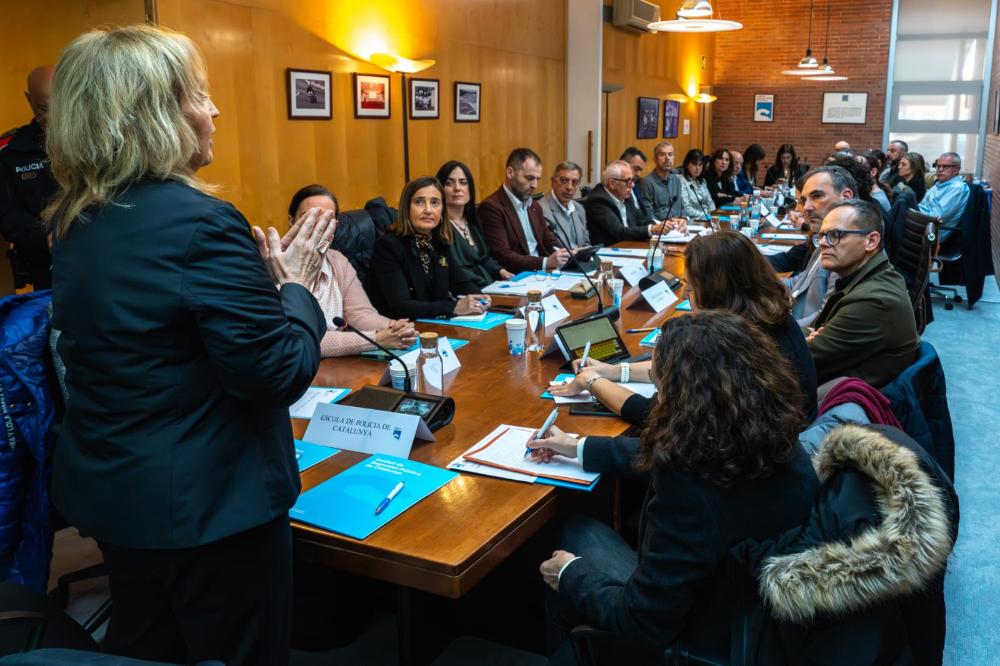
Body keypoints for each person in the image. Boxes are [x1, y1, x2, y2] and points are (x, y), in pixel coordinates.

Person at [45, 26, 333, 665]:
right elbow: (276, 374)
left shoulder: (73, 218)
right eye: (200, 96)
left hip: (120, 495)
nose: (215, 110)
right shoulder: (202, 223)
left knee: (151, 647)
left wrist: (255, 296)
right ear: (155, 115)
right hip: (211, 508)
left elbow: (154, 344)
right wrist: (297, 289)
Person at [534, 311, 819, 664]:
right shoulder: (776, 437)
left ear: (684, 395)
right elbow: (677, 458)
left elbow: (642, 622)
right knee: (583, 531)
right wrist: (577, 447)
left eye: (660, 385)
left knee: (571, 543)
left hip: (698, 638)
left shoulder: (688, 492)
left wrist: (569, 574)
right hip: (754, 615)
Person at [551, 231, 818, 423]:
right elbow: (672, 370)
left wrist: (592, 381)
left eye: (690, 287)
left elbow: (657, 415)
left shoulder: (727, 343)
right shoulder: (768, 315)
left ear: (715, 292)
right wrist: (612, 371)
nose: (685, 296)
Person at [286, 185, 417, 356]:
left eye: (327, 219)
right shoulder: (274, 265)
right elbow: (301, 340)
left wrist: (393, 327)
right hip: (297, 367)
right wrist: (376, 339)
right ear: (291, 221)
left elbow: (360, 315)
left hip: (340, 363)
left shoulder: (337, 260)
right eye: (309, 217)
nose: (318, 225)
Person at [808, 200, 920, 387]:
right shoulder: (861, 276)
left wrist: (807, 339)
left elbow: (802, 359)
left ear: (871, 241)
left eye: (835, 235)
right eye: (821, 236)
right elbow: (814, 332)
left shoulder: (874, 300)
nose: (822, 243)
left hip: (832, 398)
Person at [366, 176, 489, 320]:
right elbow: (401, 307)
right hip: (399, 327)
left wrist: (480, 298)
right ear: (406, 208)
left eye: (435, 203)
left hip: (432, 324)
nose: (428, 210)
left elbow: (460, 282)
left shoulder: (438, 242)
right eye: (419, 202)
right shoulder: (388, 246)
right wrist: (454, 307)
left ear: (442, 211)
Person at [768, 166, 856, 327]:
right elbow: (799, 282)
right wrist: (755, 280)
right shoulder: (825, 237)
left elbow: (823, 321)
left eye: (817, 196)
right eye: (803, 200)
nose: (806, 208)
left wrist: (769, 328)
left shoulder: (850, 249)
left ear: (845, 197)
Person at [0, 66, 57, 289]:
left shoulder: (97, 140)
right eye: (43, 108)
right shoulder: (10, 152)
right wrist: (46, 235)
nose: (52, 117)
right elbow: (6, 213)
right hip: (45, 267)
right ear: (29, 100)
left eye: (59, 106)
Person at [479, 147, 569, 273]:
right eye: (529, 178)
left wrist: (569, 253)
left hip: (542, 274)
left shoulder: (534, 206)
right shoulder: (491, 207)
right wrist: (545, 262)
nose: (534, 185)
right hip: (517, 277)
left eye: (537, 179)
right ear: (510, 173)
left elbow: (548, 240)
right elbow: (502, 255)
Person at [435, 160, 513, 288]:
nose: (457, 188)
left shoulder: (473, 221)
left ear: (470, 189)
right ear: (439, 189)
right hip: (466, 290)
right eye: (449, 183)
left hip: (490, 285)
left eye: (463, 182)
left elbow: (483, 258)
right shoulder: (438, 226)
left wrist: (500, 270)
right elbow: (455, 270)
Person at [584, 161, 678, 246]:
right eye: (628, 181)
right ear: (612, 183)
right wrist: (652, 229)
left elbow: (642, 220)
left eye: (632, 180)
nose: (632, 185)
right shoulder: (598, 201)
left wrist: (664, 226)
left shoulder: (626, 196)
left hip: (629, 247)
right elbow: (619, 232)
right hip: (609, 252)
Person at [538, 160, 591, 249]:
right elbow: (549, 248)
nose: (569, 187)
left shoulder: (579, 209)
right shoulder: (541, 210)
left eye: (574, 182)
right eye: (564, 180)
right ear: (553, 182)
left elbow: (586, 243)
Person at [919, 152, 969, 231]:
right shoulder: (939, 184)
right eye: (938, 166)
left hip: (933, 233)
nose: (940, 169)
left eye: (945, 166)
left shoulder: (957, 188)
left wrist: (917, 211)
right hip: (921, 225)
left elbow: (936, 217)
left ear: (957, 170)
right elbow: (922, 207)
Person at [639, 141, 685, 220]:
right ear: (655, 160)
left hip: (679, 225)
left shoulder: (676, 180)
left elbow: (682, 206)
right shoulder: (647, 182)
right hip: (660, 226)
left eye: (670, 154)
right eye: (662, 155)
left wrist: (684, 219)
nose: (667, 158)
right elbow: (649, 215)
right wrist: (663, 225)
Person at [677, 149, 715, 221]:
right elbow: (686, 208)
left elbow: (710, 202)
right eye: (694, 164)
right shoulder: (681, 180)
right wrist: (705, 215)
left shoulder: (702, 181)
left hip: (707, 218)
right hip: (692, 220)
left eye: (700, 165)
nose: (698, 168)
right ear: (687, 165)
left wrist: (713, 214)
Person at [620, 147, 655, 223]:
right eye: (636, 169)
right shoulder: (617, 192)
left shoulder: (637, 185)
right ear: (622, 165)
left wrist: (658, 226)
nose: (639, 174)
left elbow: (644, 216)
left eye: (640, 170)